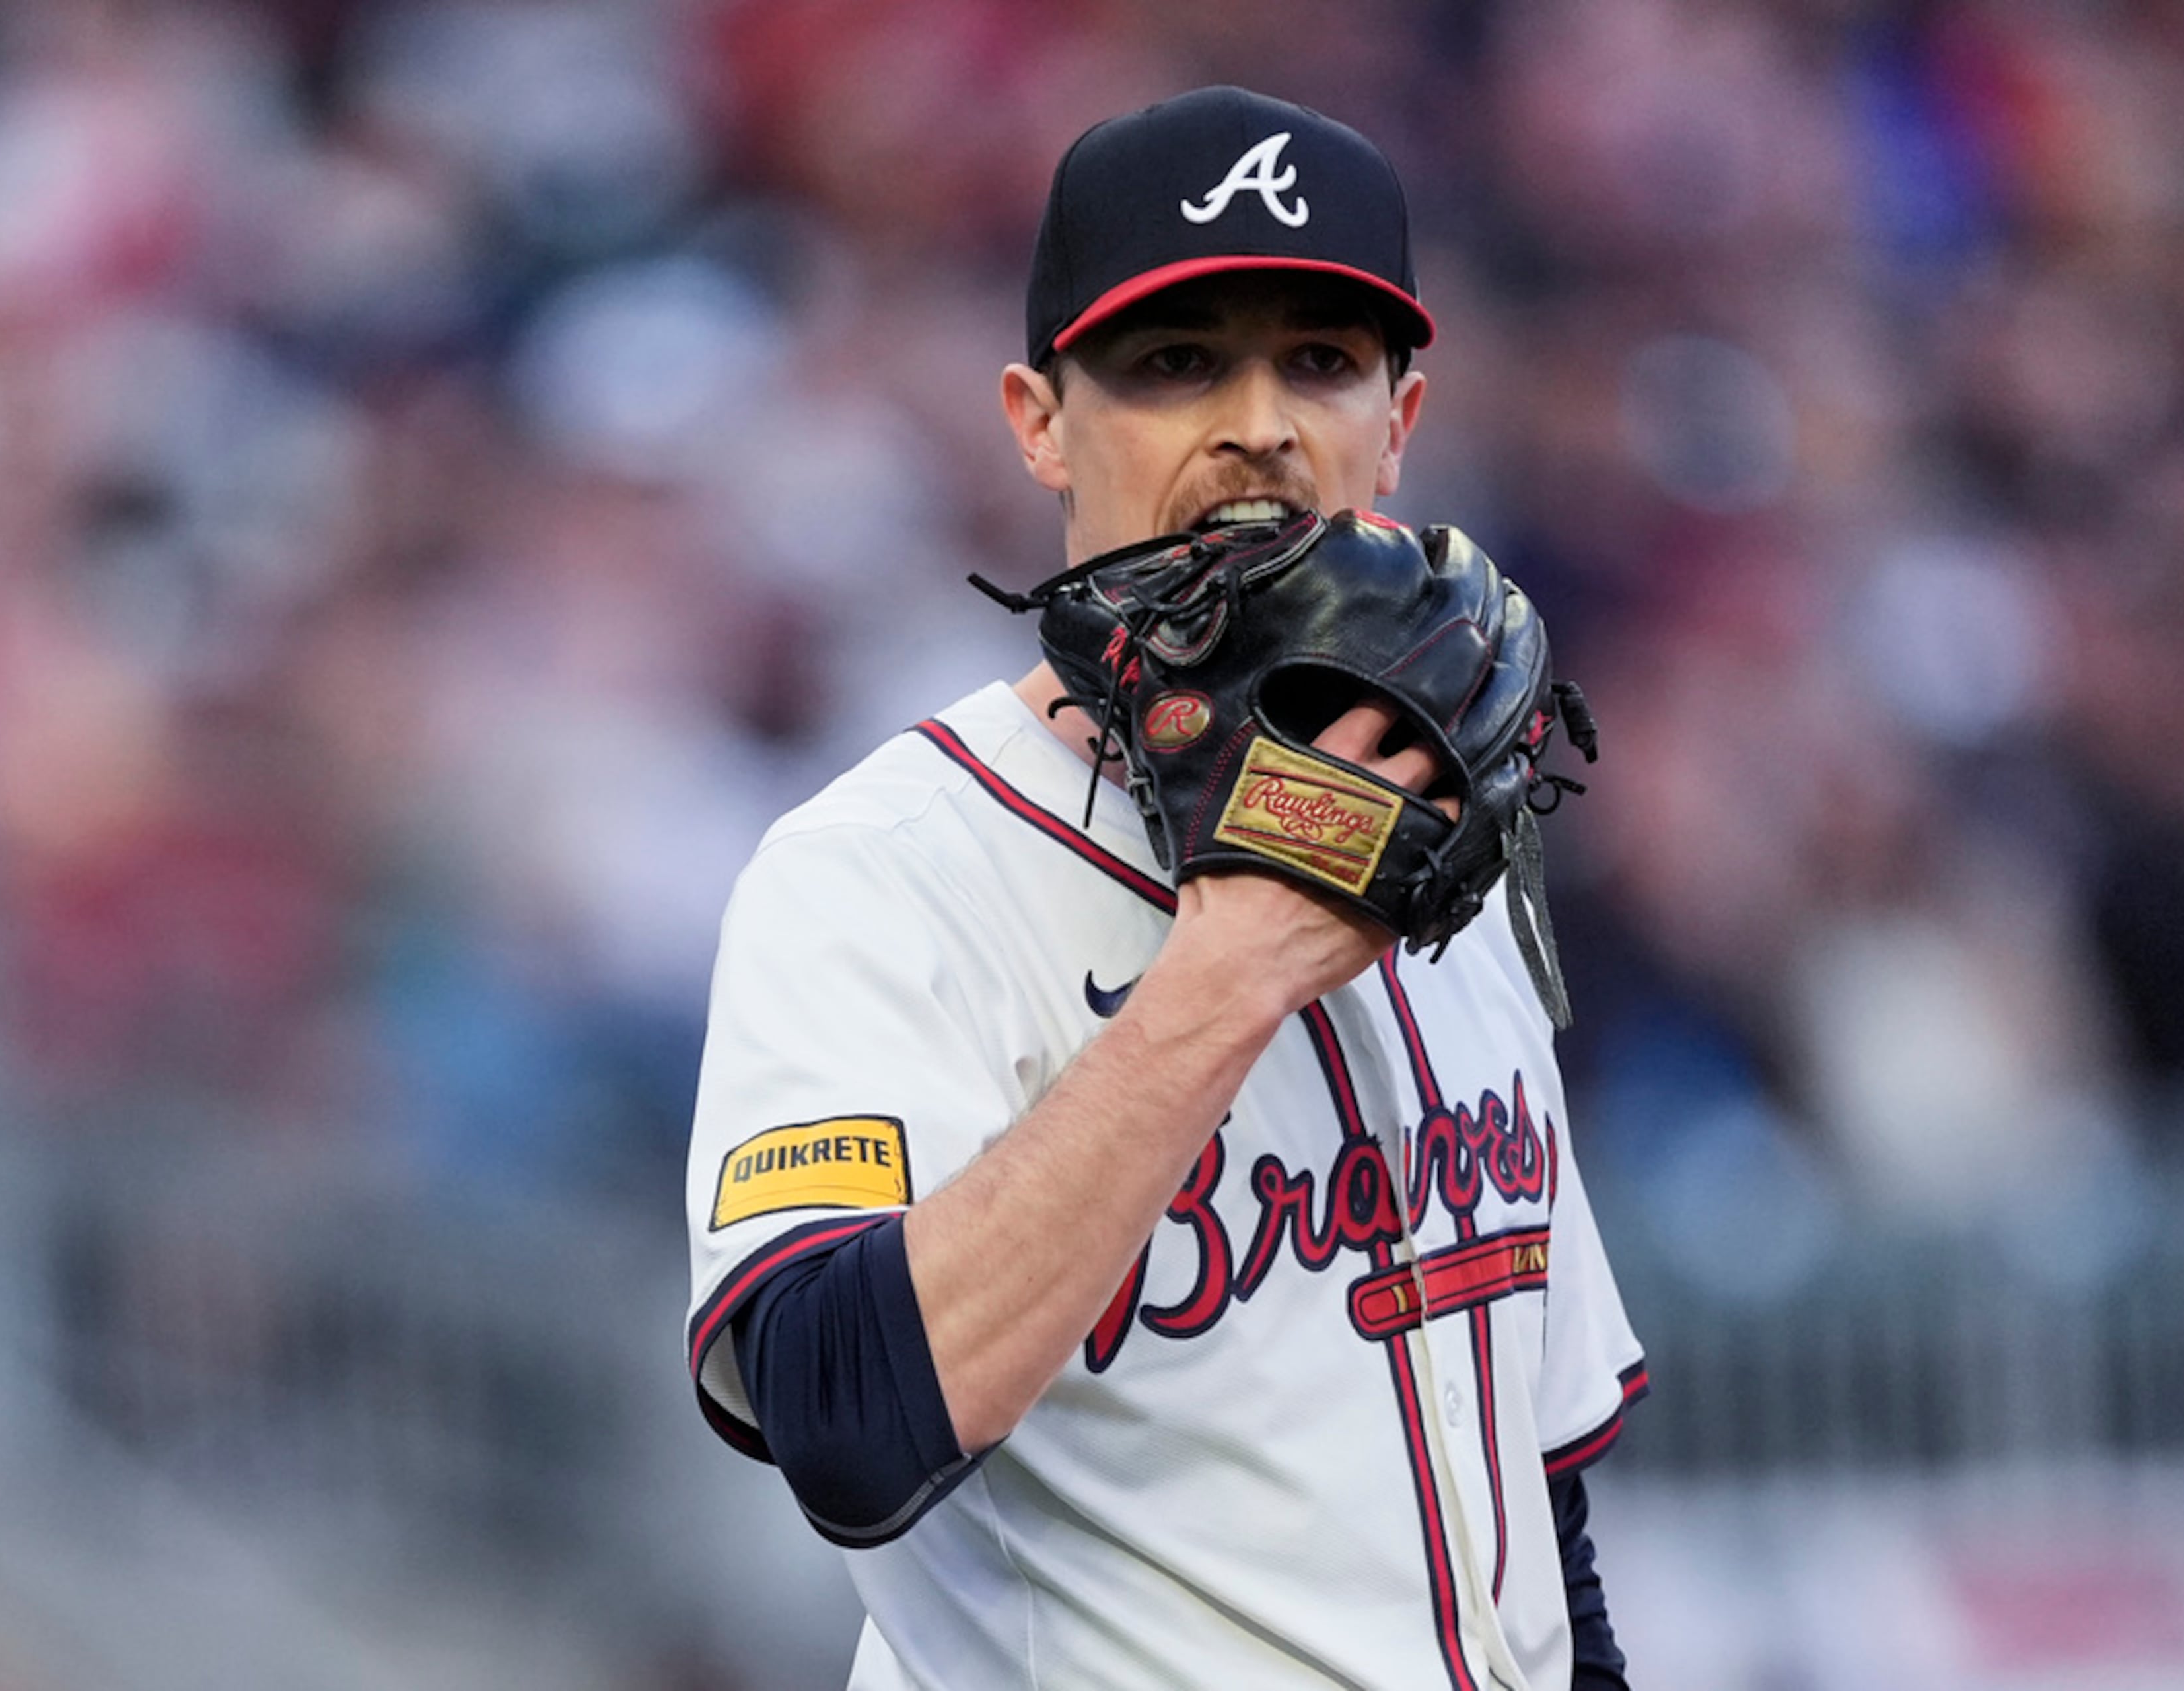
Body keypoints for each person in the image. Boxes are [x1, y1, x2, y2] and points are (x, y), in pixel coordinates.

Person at [684, 85, 1648, 1690]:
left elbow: (1540, 1531)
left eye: (1320, 362)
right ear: (1039, 421)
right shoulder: (883, 871)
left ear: (1401, 418)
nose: (1260, 422)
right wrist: (1231, 970)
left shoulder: (1445, 839)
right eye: (1178, 362)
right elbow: (840, 1422)